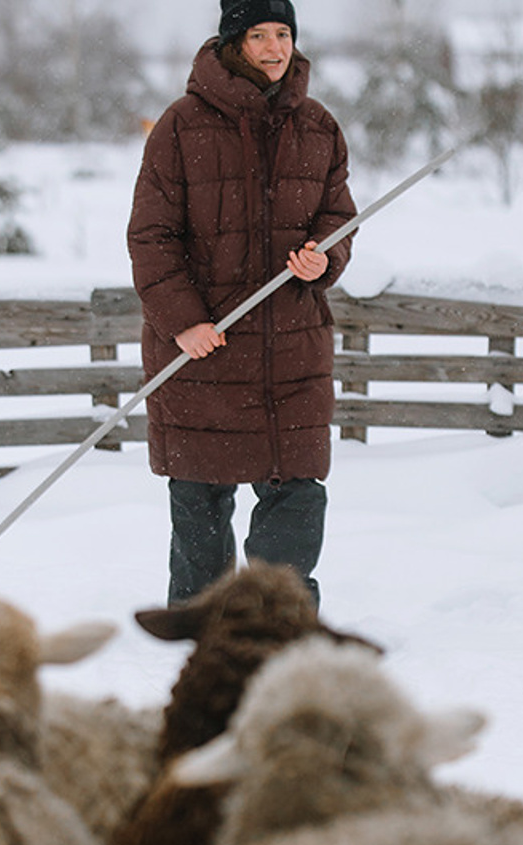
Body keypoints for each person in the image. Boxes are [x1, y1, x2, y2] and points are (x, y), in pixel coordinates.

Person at [128, 0, 356, 607]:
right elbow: (152, 237)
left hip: (290, 353)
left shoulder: (318, 128)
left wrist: (323, 258)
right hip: (206, 349)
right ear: (234, 42)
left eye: (283, 34)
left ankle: (278, 616)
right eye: (260, 35)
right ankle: (199, 622)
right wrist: (182, 322)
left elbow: (338, 218)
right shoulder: (181, 127)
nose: (276, 48)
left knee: (297, 491)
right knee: (200, 495)